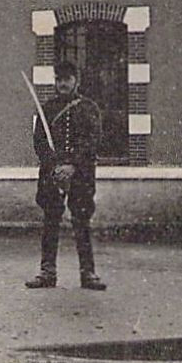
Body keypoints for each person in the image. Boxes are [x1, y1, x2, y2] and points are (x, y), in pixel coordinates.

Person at [27, 61, 107, 291]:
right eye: (59, 79)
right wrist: (55, 167)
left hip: (80, 174)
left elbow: (93, 141)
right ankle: (47, 272)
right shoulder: (48, 109)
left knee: (81, 221)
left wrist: (72, 166)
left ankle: (88, 273)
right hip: (52, 175)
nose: (63, 83)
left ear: (76, 81)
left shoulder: (89, 108)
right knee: (50, 221)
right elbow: (40, 142)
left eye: (67, 79)